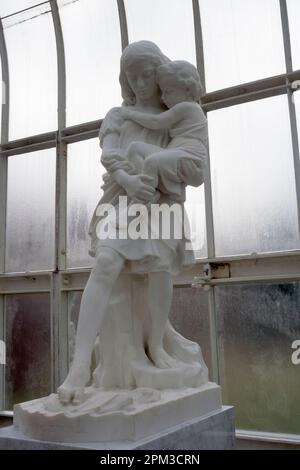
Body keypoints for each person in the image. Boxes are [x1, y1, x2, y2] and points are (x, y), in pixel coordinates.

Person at [58, 41, 207, 406]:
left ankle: (155, 345)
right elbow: (110, 154)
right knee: (107, 264)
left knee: (158, 270)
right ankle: (79, 367)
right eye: (132, 75)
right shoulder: (117, 116)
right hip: (121, 201)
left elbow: (191, 165)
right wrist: (129, 181)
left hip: (161, 204)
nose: (140, 83)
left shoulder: (177, 111)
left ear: (161, 72)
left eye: (147, 73)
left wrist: (155, 180)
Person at [121, 60, 208, 203]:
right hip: (176, 151)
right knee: (134, 149)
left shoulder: (187, 107)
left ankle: (139, 205)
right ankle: (153, 189)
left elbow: (156, 122)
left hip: (189, 155)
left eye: (168, 91)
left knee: (152, 161)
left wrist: (130, 114)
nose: (162, 97)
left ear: (186, 89)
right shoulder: (184, 107)